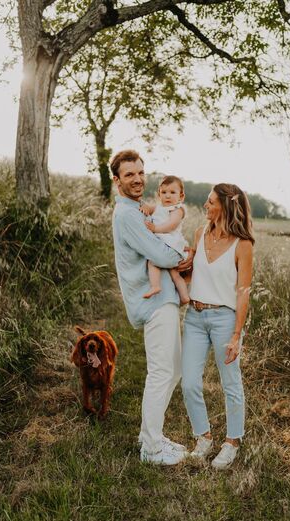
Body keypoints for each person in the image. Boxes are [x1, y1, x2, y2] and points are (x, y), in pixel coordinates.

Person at [110, 149, 192, 466]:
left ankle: (151, 436)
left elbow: (162, 241)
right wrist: (181, 258)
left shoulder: (139, 209)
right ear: (117, 180)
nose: (138, 179)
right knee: (161, 372)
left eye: (141, 172)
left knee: (172, 370)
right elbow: (159, 254)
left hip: (164, 298)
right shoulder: (128, 215)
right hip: (153, 300)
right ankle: (151, 450)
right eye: (130, 174)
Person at [181, 183, 254, 470]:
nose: (206, 206)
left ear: (225, 206)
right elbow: (191, 276)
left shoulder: (243, 244)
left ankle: (232, 441)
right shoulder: (199, 234)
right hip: (195, 317)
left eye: (211, 202)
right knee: (188, 382)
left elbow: (243, 291)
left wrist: (237, 335)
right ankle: (204, 437)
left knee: (231, 382)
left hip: (224, 319)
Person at [140, 175, 190, 304]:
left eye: (172, 192)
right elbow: (148, 208)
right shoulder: (158, 207)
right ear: (159, 194)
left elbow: (171, 225)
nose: (167, 196)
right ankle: (184, 297)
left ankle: (155, 285)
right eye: (164, 192)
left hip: (172, 247)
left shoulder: (177, 209)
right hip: (167, 247)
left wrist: (155, 228)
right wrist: (144, 207)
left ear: (181, 196)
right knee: (175, 275)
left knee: (152, 261)